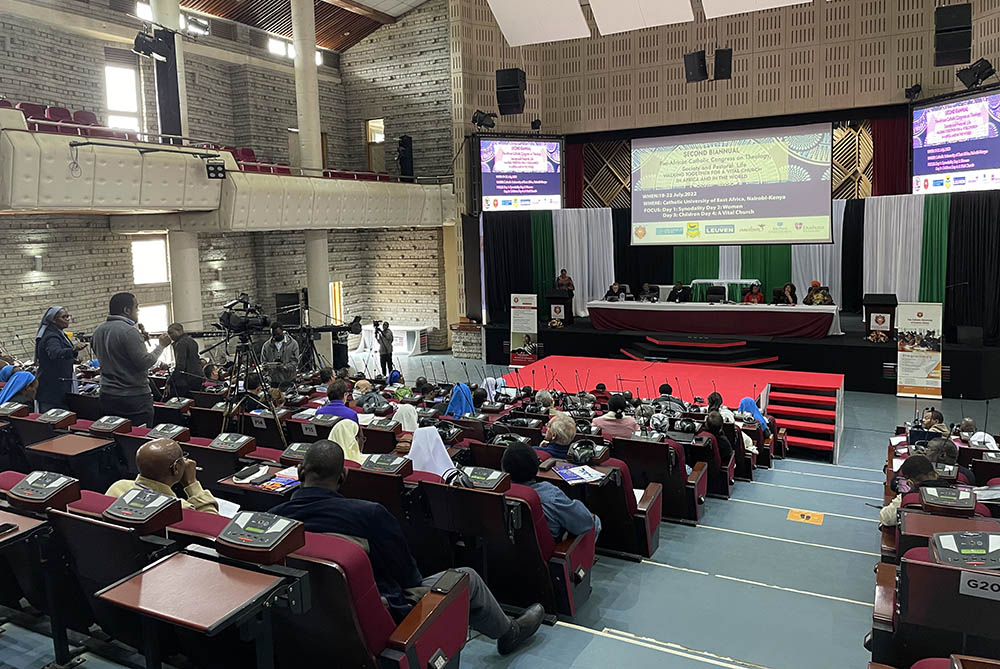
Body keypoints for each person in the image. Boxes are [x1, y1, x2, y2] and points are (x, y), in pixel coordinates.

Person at [269, 441, 543, 654]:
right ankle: (509, 632)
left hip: (312, 625)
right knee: (467, 577)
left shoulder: (275, 519)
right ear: (343, 476)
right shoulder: (370, 515)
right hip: (385, 615)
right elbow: (408, 577)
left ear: (300, 471)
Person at [91, 292, 172, 427]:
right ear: (126, 310)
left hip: (107, 395)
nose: (138, 311)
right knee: (137, 438)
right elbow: (144, 363)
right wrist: (161, 346)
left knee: (114, 434)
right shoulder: (129, 331)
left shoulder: (98, 331)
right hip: (133, 398)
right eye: (136, 307)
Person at [502, 443, 601, 541]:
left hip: (507, 550)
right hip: (547, 551)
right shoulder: (550, 494)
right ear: (537, 466)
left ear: (504, 468)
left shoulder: (494, 493)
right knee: (595, 520)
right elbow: (585, 522)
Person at [106, 438, 219, 514]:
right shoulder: (180, 508)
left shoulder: (117, 487)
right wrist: (192, 483)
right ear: (175, 468)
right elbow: (213, 523)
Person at [34, 306, 88, 412]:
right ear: (53, 320)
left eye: (68, 316)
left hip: (56, 385)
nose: (68, 319)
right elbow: (55, 353)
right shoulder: (51, 336)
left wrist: (73, 359)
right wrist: (73, 350)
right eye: (64, 317)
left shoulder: (58, 333)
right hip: (53, 388)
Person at [879, 455, 945, 527]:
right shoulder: (956, 492)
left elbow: (886, 518)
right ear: (937, 474)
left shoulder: (908, 499)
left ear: (910, 483)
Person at [166, 323, 203, 399]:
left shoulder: (180, 344)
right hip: (197, 376)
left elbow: (180, 366)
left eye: (171, 333)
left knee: (170, 397)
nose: (170, 336)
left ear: (179, 331)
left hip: (187, 379)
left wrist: (169, 381)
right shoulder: (192, 341)